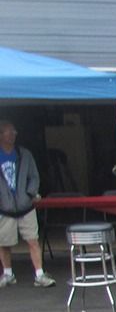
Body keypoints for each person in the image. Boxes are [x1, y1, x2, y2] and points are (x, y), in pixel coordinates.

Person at [0, 119, 55, 287]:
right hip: (4, 207)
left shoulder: (24, 154)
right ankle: (8, 273)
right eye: (9, 132)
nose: (13, 135)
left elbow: (34, 176)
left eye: (14, 132)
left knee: (33, 239)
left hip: (25, 206)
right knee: (3, 242)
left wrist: (30, 193)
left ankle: (39, 274)